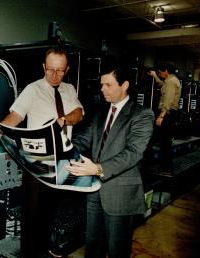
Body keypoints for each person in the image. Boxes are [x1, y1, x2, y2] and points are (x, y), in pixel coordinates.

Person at [0, 47, 84, 258]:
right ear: (43, 67)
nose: (54, 75)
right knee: (32, 213)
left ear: (66, 69)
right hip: (37, 161)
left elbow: (79, 113)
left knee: (53, 209)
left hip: (62, 160)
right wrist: (0, 128)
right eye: (50, 69)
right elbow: (16, 115)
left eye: (59, 70)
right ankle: (30, 253)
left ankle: (47, 247)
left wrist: (64, 120)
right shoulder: (33, 89)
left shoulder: (69, 89)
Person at [65, 57, 155, 258]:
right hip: (94, 190)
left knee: (117, 250)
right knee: (93, 247)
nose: (103, 89)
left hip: (120, 194)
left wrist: (97, 168)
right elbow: (83, 140)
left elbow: (133, 153)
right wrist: (60, 149)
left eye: (108, 85)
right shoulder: (100, 112)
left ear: (125, 85)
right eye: (101, 85)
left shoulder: (142, 115)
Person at [147, 63, 181, 175]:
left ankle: (166, 169)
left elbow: (168, 100)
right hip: (169, 114)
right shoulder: (171, 80)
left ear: (165, 70)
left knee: (164, 142)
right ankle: (164, 168)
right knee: (163, 141)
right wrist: (155, 76)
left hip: (166, 114)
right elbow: (162, 85)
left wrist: (161, 116)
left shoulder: (171, 82)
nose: (160, 74)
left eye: (160, 72)